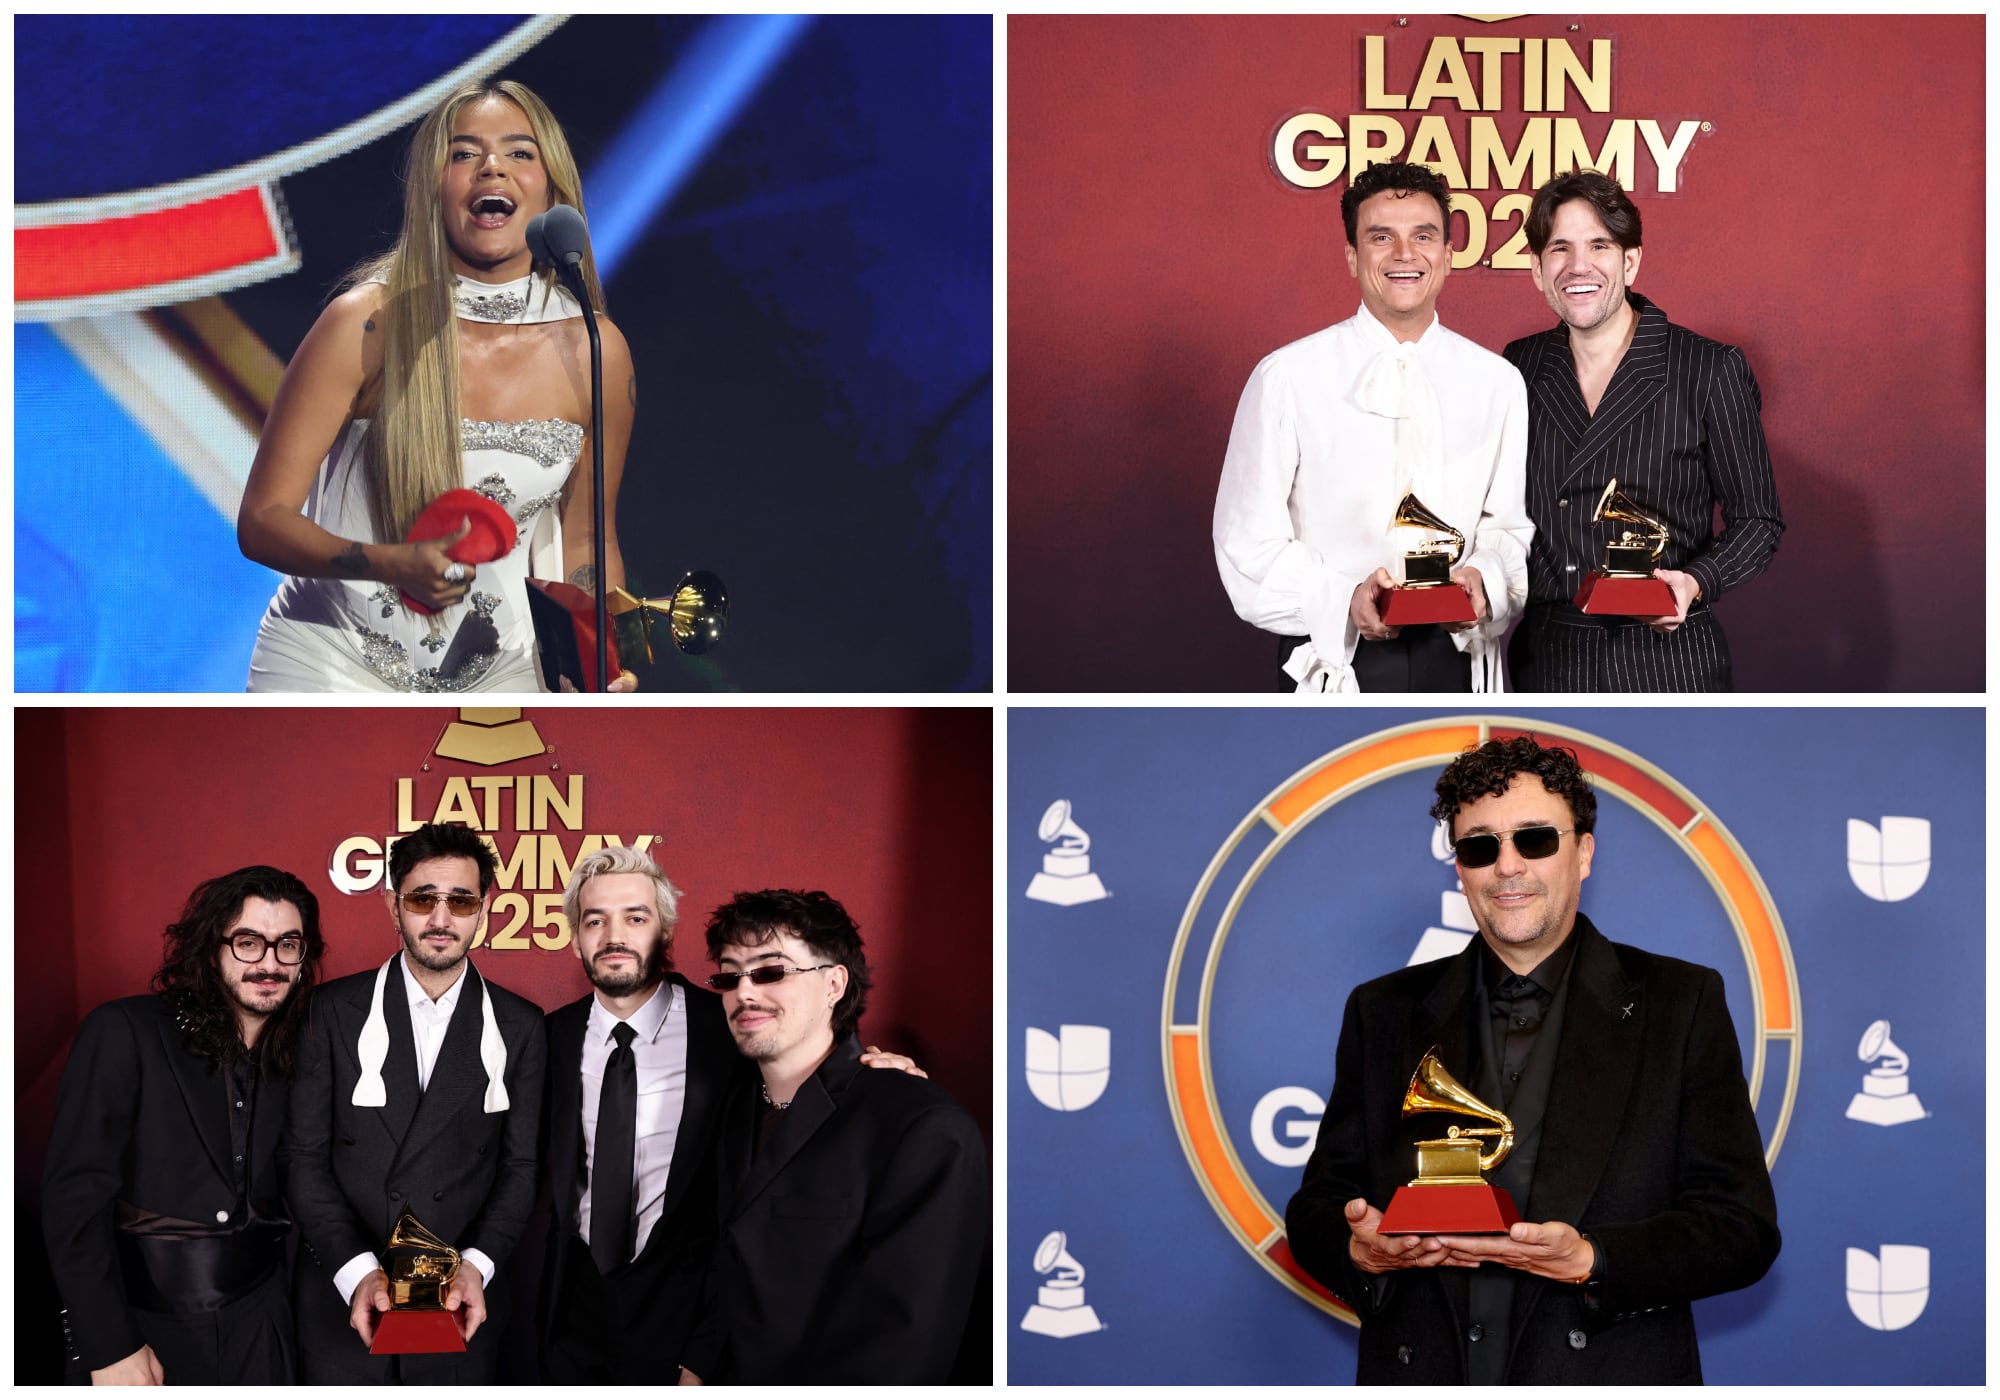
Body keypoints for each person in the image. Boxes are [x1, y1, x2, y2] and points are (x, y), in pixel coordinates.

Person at [1286, 736, 1779, 1383]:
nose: (1508, 867)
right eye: (1480, 846)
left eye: (1535, 840)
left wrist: (1595, 1259)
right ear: (1459, 868)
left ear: (1583, 853)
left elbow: (1740, 1228)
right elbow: (1318, 1204)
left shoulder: (1681, 1002)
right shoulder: (1382, 1010)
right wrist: (1360, 1250)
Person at [239, 79, 639, 692]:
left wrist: (600, 657)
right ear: (434, 189)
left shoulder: (594, 347)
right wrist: (387, 563)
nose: (492, 169)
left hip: (505, 671)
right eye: (463, 153)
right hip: (330, 662)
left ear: (552, 191)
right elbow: (263, 520)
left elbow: (588, 537)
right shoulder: (367, 323)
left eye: (520, 153)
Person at [537, 848, 927, 1382]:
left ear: (664, 932)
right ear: (576, 936)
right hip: (570, 1318)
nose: (614, 936)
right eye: (594, 920)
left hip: (690, 1318)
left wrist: (871, 1066)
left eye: (635, 916)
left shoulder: (730, 1023)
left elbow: (801, 1054)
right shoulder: (545, 1038)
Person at [1214, 159, 1532, 692]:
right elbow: (1247, 545)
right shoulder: (1286, 377)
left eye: (1423, 236)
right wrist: (1344, 599)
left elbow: (1508, 529)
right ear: (1352, 256)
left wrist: (1482, 580)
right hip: (1334, 665)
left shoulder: (1497, 381)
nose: (1405, 255)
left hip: (1461, 659)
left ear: (1449, 257)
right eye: (1381, 237)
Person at [678, 890, 988, 1384]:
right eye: (730, 975)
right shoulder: (734, 1112)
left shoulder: (921, 1125)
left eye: (771, 971)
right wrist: (695, 1369)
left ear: (834, 985)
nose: (744, 992)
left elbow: (906, 1346)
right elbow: (729, 1266)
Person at [279, 822, 547, 1382]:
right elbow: (303, 1159)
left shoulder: (520, 1025)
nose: (442, 919)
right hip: (345, 1298)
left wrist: (476, 1266)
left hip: (459, 1302)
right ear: (391, 904)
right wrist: (357, 1272)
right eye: (423, 898)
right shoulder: (329, 1012)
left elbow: (520, 1167)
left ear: (484, 908)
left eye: (461, 900)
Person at [42, 866, 326, 1384]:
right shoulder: (124, 1031)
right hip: (143, 1331)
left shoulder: (301, 1051)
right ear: (211, 946)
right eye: (248, 942)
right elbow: (72, 1203)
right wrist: (108, 1345)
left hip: (263, 1326)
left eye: (288, 945)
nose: (269, 962)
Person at [1503, 170, 1784, 691]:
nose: (1578, 266)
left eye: (1598, 246)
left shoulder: (1708, 367)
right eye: (1559, 249)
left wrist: (1696, 582)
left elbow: (1758, 521)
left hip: (1667, 659)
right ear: (1538, 271)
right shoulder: (1518, 366)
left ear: (1630, 260)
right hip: (1545, 657)